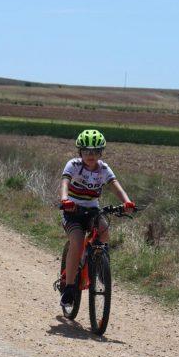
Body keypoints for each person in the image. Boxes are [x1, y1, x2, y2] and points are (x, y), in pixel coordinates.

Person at [57, 129, 134, 310]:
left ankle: (98, 264)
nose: (90, 155)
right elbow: (65, 182)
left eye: (95, 151)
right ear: (80, 152)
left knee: (104, 230)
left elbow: (115, 185)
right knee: (77, 241)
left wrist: (127, 202)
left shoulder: (103, 169)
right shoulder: (73, 165)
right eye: (86, 151)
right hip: (72, 210)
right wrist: (65, 199)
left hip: (92, 209)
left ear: (101, 153)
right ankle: (69, 288)